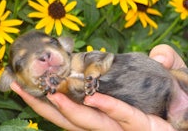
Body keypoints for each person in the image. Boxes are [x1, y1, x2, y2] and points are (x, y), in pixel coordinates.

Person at [10, 44, 186, 131]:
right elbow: (78, 92)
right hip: (164, 110)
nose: (45, 59)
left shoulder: (79, 60)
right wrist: (65, 86)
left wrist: (92, 71)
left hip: (171, 88)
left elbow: (101, 59)